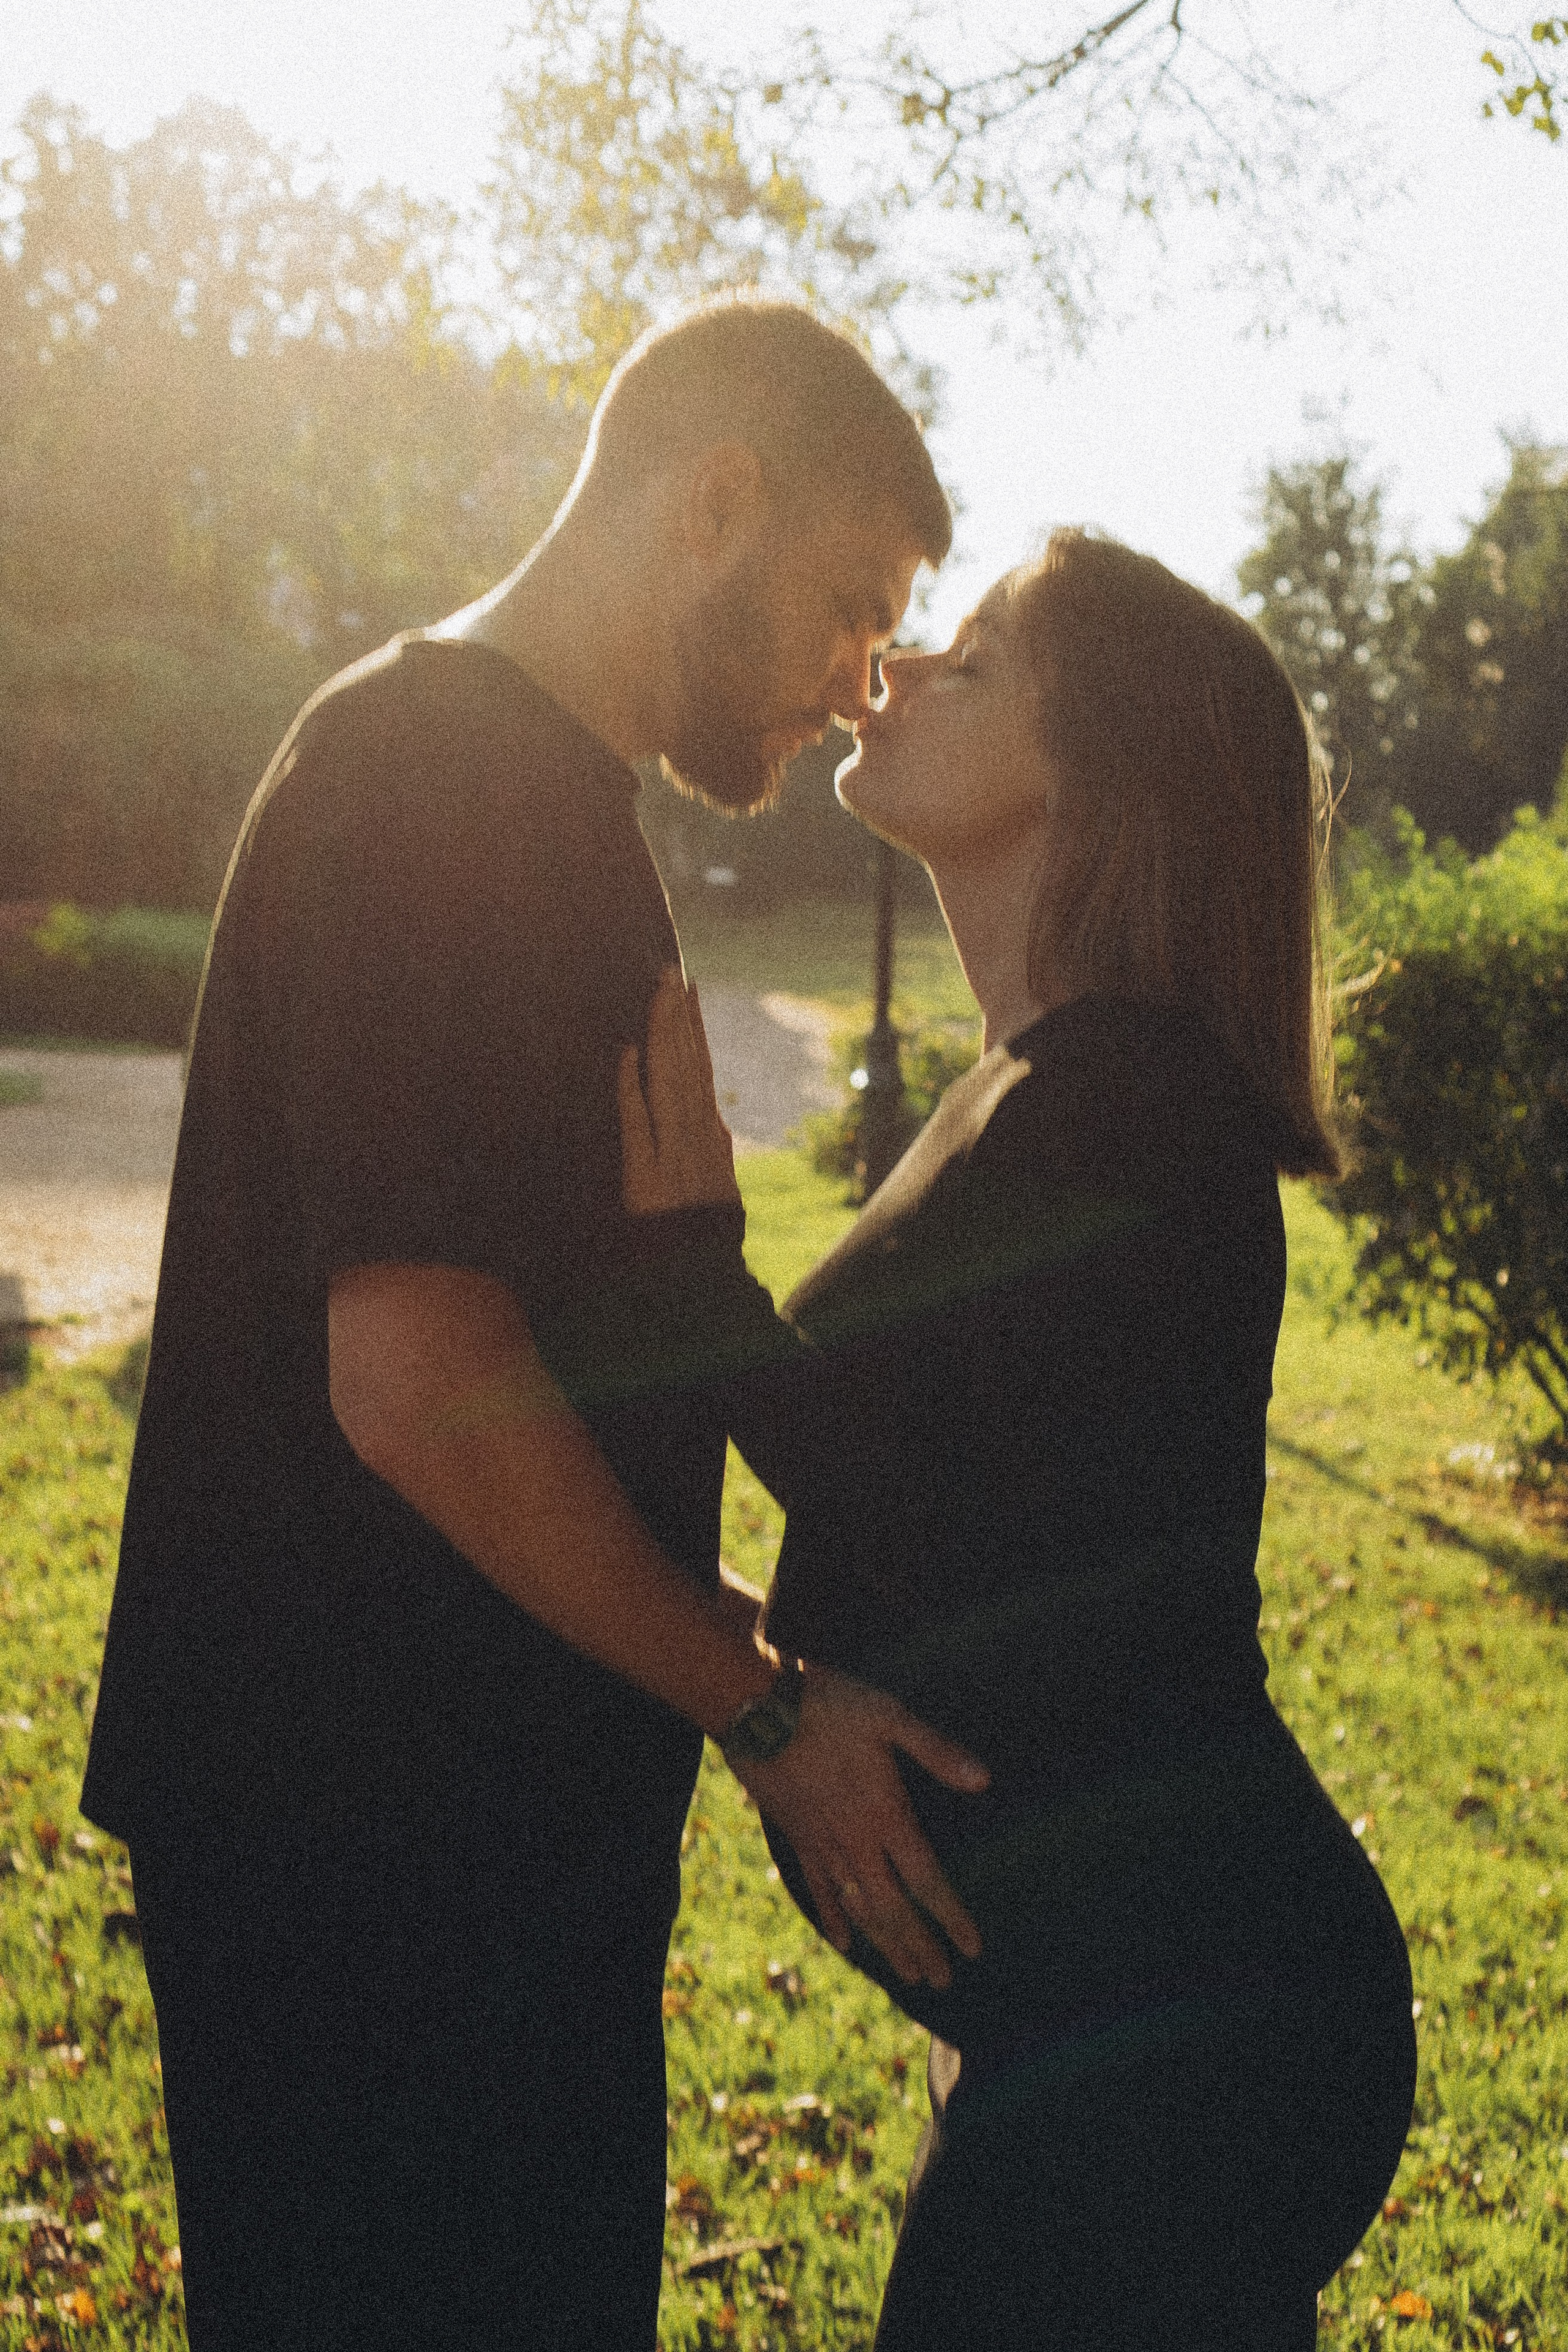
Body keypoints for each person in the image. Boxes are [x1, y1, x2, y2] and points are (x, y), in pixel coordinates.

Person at [78, 299, 992, 2352]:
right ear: (715, 505)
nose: (862, 684)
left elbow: (538, 1368)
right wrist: (757, 1703)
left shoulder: (540, 799)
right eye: (851, 607)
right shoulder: (437, 780)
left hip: (461, 1836)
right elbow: (417, 1380)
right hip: (369, 1858)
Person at [619, 528, 1419, 2350]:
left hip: (1185, 2024)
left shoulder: (1127, 1106)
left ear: (1105, 768)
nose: (893, 667)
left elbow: (855, 1458)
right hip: (1106, 2015)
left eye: (970, 662)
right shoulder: (1044, 1082)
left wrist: (678, 1251)